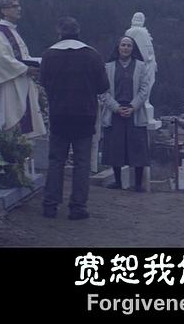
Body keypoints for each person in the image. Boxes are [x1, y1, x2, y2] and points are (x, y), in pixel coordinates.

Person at [39, 17, 110, 221]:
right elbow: (103, 87)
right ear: (78, 32)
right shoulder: (92, 55)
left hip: (59, 113)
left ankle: (50, 205)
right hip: (85, 114)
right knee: (82, 162)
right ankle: (78, 207)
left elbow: (43, 82)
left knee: (56, 160)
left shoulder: (49, 55)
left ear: (59, 33)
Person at [0, 0, 46, 137]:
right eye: (14, 6)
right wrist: (26, 68)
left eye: (19, 5)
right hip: (9, 82)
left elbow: (22, 56)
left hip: (21, 80)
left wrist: (36, 63)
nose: (19, 9)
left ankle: (22, 147)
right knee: (10, 118)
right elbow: (2, 59)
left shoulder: (13, 31)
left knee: (23, 122)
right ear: (3, 10)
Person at [98, 36, 155, 192]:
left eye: (129, 45)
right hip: (114, 112)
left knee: (137, 147)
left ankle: (138, 184)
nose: (126, 48)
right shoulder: (108, 67)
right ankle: (118, 182)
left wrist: (132, 107)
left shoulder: (141, 67)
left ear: (133, 48)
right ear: (118, 47)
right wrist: (116, 107)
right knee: (115, 147)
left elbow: (144, 90)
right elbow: (103, 91)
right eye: (123, 45)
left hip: (134, 112)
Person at [124, 12, 157, 123]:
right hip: (145, 63)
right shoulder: (140, 32)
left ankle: (144, 102)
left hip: (145, 62)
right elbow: (144, 50)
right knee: (146, 84)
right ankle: (144, 102)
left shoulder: (130, 31)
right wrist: (148, 59)